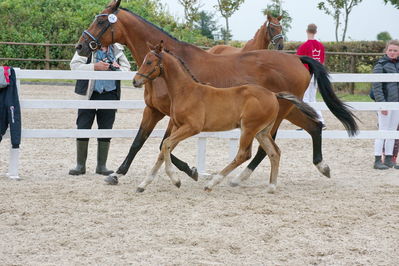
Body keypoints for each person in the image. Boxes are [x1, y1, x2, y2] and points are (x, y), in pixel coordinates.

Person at [69, 43, 131, 175]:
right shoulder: (86, 47)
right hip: (88, 94)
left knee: (106, 128)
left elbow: (127, 68)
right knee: (83, 126)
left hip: (110, 93)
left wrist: (116, 69)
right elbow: (74, 66)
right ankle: (80, 166)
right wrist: (94, 67)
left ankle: (101, 166)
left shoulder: (117, 49)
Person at [371, 40, 399, 170]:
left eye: (395, 50)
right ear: (386, 51)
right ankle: (377, 159)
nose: (392, 52)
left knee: (392, 132)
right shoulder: (380, 65)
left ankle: (389, 159)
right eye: (390, 50)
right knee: (382, 130)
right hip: (385, 103)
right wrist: (382, 104)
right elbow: (377, 87)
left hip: (397, 104)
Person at [296, 23, 326, 129]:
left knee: (306, 99)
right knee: (312, 98)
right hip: (318, 75)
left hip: (308, 75)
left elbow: (297, 61)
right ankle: (317, 121)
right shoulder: (321, 46)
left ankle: (317, 121)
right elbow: (322, 62)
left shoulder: (304, 46)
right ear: (316, 32)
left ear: (307, 31)